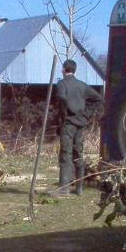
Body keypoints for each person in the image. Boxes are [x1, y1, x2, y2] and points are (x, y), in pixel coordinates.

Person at [49, 59, 102, 196]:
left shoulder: (62, 84)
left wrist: (63, 116)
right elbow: (98, 99)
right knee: (79, 154)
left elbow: (61, 99)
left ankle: (63, 189)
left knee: (65, 154)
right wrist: (86, 115)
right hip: (80, 123)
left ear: (63, 69)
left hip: (68, 123)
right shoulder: (82, 85)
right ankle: (79, 189)